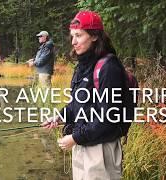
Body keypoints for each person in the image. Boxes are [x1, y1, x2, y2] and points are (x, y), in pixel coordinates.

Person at [41, 11, 133, 180]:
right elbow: (77, 104)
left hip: (101, 151)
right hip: (82, 145)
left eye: (78, 35)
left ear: (95, 36)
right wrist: (59, 117)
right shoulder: (82, 65)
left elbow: (108, 118)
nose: (73, 41)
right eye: (72, 36)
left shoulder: (108, 67)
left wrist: (75, 138)